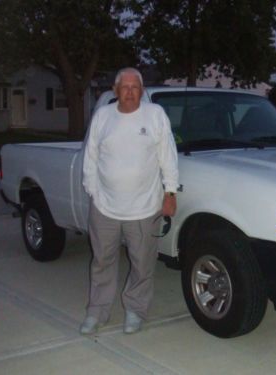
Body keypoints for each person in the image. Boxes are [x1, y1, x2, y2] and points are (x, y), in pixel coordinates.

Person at [80, 67, 179, 335]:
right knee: (102, 261)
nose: (130, 93)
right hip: (104, 208)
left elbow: (167, 155)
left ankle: (135, 310)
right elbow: (90, 157)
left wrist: (170, 192)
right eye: (125, 87)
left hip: (145, 208)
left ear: (142, 90)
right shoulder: (103, 116)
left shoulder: (155, 114)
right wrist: (93, 190)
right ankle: (97, 312)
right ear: (115, 91)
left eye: (136, 87)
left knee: (142, 263)